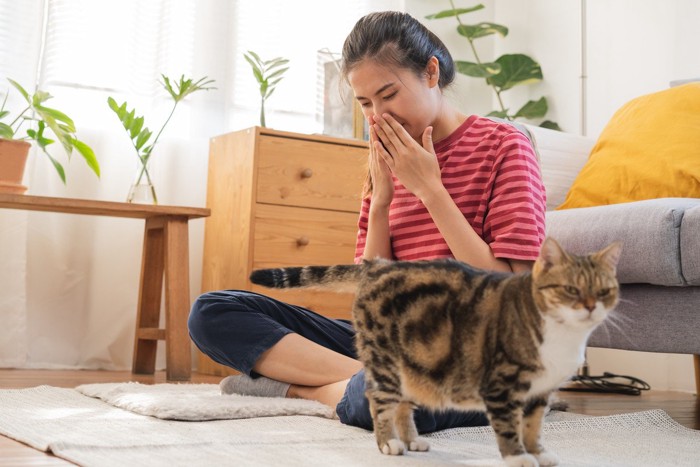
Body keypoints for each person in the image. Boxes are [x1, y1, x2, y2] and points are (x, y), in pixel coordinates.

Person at [188, 11, 546, 433]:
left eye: (388, 94)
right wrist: (380, 203)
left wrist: (432, 191)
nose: (378, 116)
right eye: (365, 103)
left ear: (431, 72)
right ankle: (365, 379)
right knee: (212, 312)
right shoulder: (385, 158)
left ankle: (310, 391)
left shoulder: (505, 146)